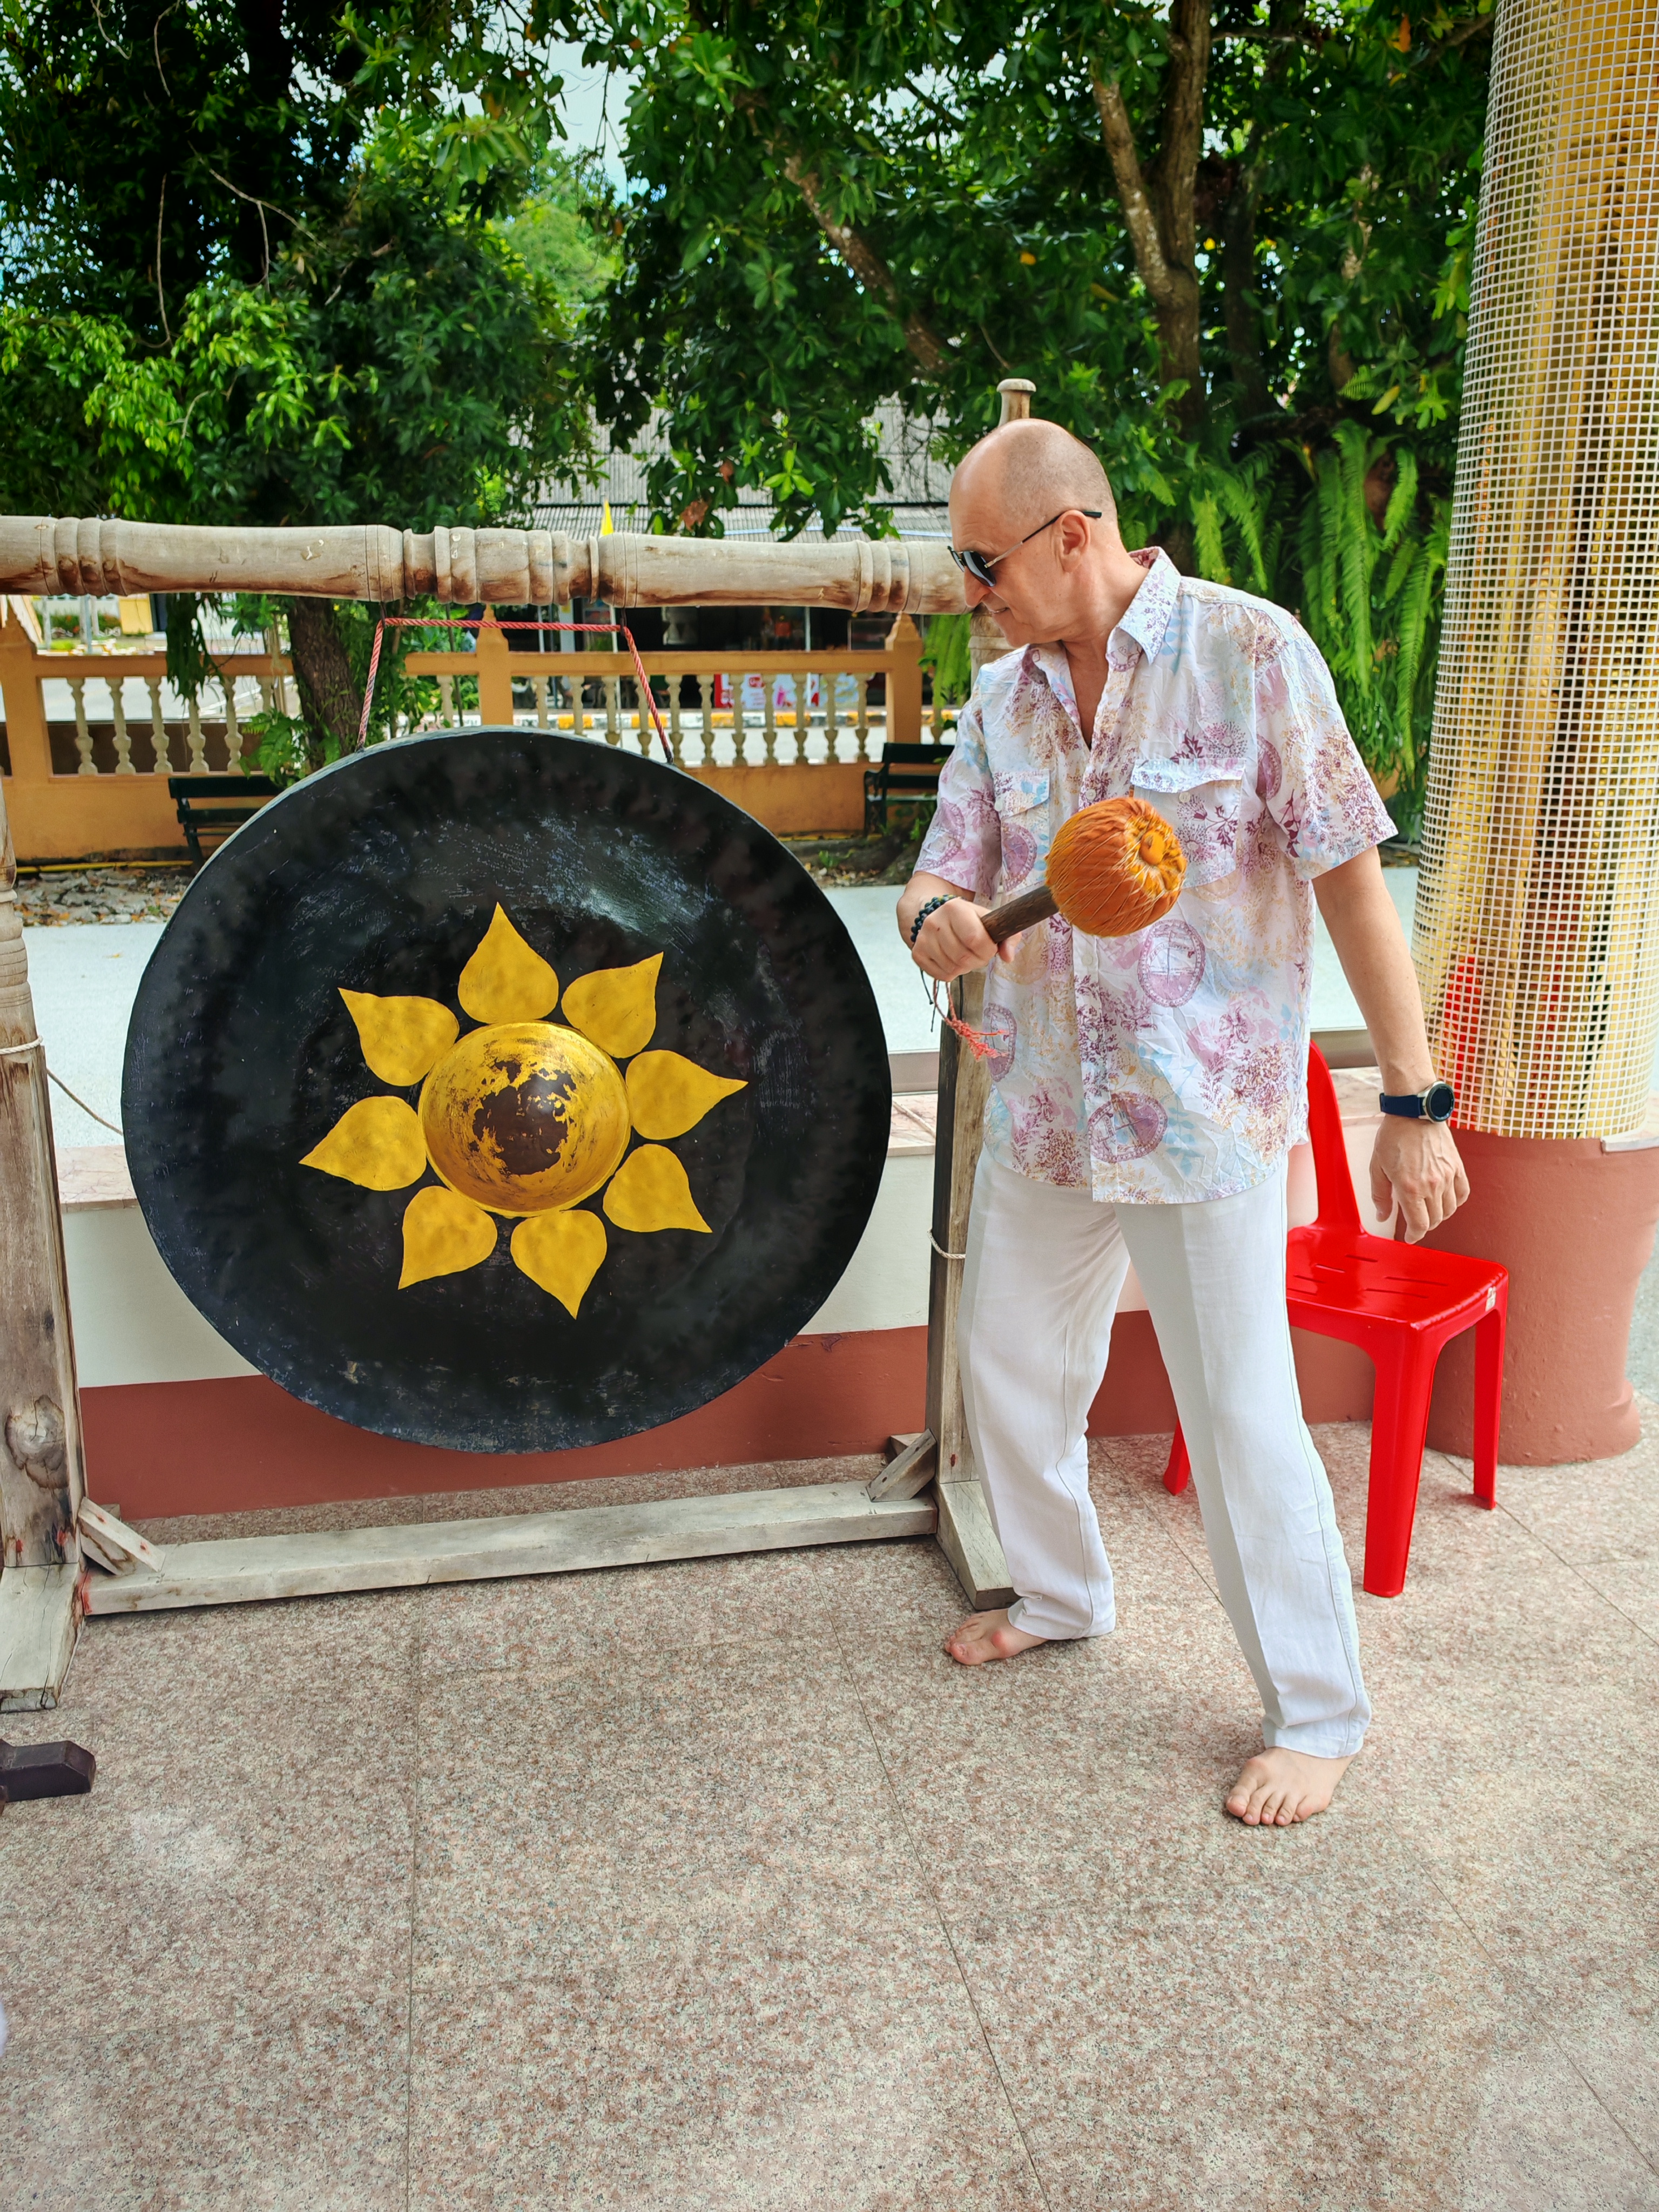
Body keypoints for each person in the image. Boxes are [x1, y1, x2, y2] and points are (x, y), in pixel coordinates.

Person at [899, 419, 1467, 1827]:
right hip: (1046, 1116)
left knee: (1241, 1417)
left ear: (1071, 533)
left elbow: (1349, 881)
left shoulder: (1252, 652)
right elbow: (933, 882)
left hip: (1204, 1119)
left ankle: (1319, 1714)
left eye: (985, 562)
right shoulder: (999, 702)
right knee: (1012, 1368)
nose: (974, 590)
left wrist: (1412, 1101)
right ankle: (1062, 1590)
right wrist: (938, 924)